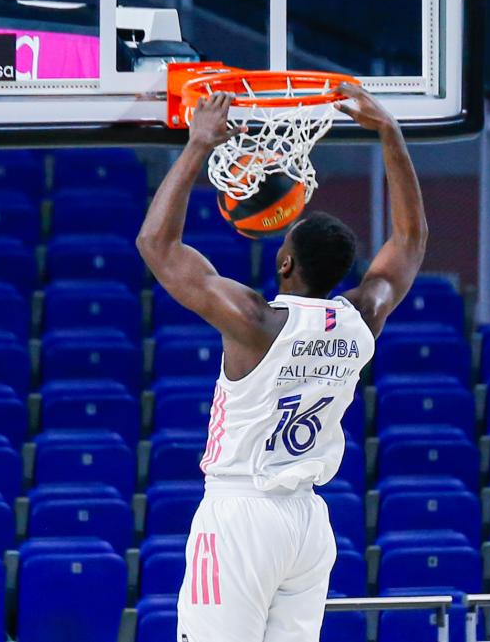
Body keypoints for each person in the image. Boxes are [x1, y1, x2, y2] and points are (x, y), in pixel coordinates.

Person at [136, 84, 428, 642]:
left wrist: (199, 143)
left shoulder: (256, 323)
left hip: (242, 513)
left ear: (284, 259)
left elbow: (156, 244)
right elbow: (410, 239)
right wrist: (390, 131)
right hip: (308, 522)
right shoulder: (362, 317)